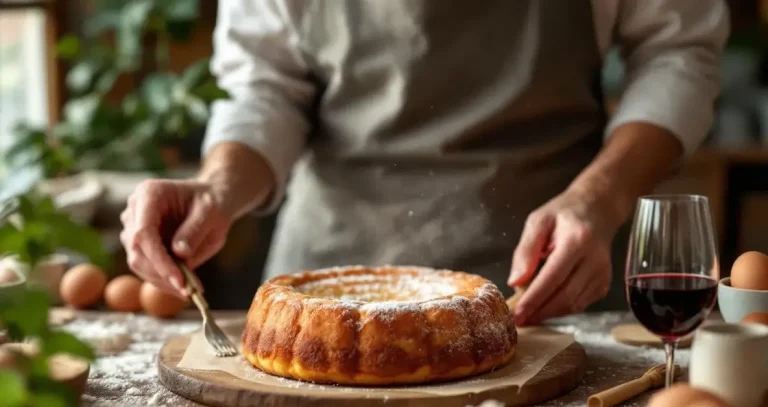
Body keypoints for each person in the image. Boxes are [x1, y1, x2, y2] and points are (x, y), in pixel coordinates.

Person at [120, 0, 729, 326]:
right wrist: (217, 189)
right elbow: (265, 86)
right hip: (328, 291)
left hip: (543, 285)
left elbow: (679, 52)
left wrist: (599, 198)